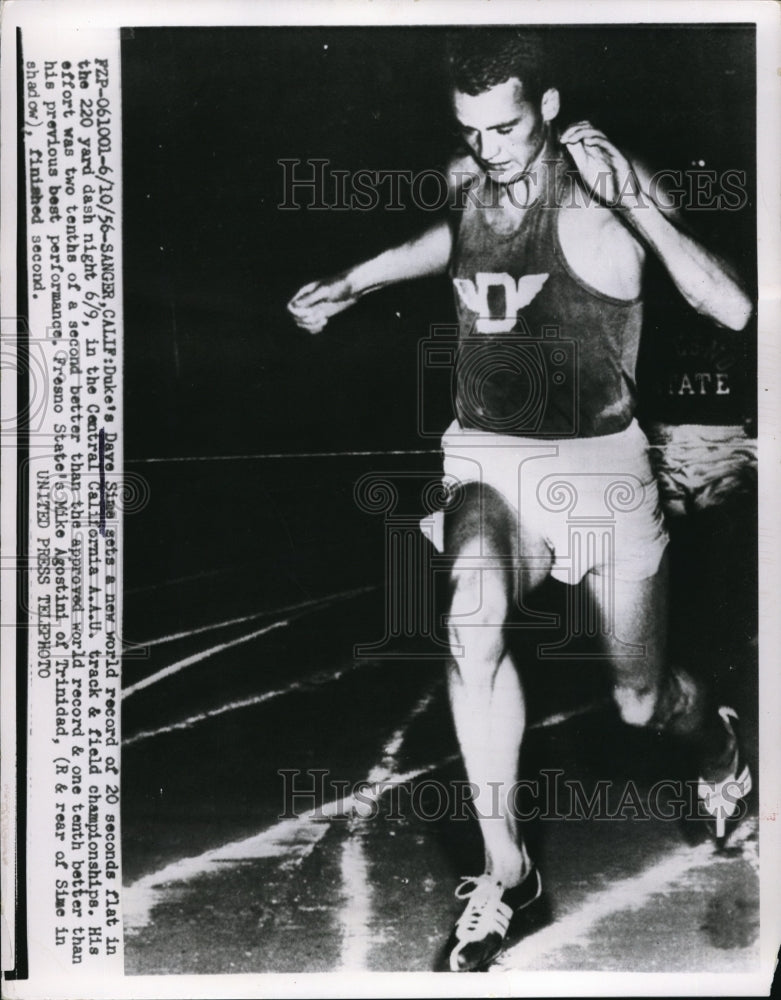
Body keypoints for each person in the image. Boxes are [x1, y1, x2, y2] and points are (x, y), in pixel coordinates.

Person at [287, 30, 754, 972]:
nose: (489, 149)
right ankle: (506, 874)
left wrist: (638, 203)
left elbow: (731, 308)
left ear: (545, 107)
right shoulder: (466, 176)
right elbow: (449, 240)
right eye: (471, 131)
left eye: (505, 128)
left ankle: (717, 753)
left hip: (600, 471)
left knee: (639, 702)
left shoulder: (601, 185)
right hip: (489, 462)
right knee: (469, 611)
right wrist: (353, 280)